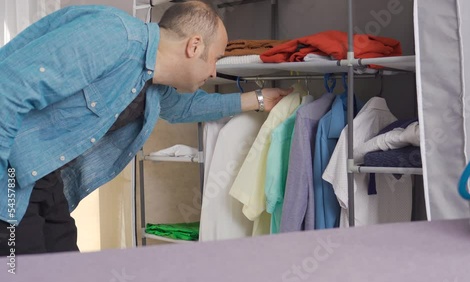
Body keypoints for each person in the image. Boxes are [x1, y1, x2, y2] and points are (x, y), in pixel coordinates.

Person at [0, 0, 291, 255]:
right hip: (9, 177)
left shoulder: (151, 82)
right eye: (215, 59)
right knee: (20, 272)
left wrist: (259, 99)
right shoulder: (112, 35)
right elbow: (7, 90)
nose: (214, 71)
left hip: (43, 179)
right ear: (194, 46)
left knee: (67, 271)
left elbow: (184, 107)